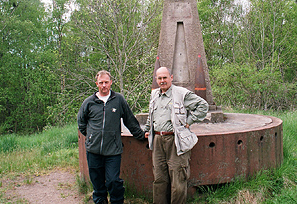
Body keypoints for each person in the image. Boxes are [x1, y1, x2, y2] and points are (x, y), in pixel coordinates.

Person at [78, 70, 145, 204]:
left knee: (113, 181)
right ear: (96, 83)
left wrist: (141, 135)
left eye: (106, 82)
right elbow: (81, 123)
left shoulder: (118, 100)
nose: (104, 85)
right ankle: (100, 201)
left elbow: (129, 120)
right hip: (93, 150)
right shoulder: (89, 102)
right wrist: (91, 137)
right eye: (101, 83)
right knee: (97, 183)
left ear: (111, 83)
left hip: (113, 150)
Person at [144, 66, 209, 204]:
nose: (162, 81)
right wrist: (147, 129)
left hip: (175, 140)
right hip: (157, 141)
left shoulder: (181, 93)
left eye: (165, 78)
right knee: (159, 178)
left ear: (171, 78)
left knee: (178, 178)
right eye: (159, 78)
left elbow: (203, 106)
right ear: (156, 79)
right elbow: (151, 115)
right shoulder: (154, 94)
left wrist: (188, 121)